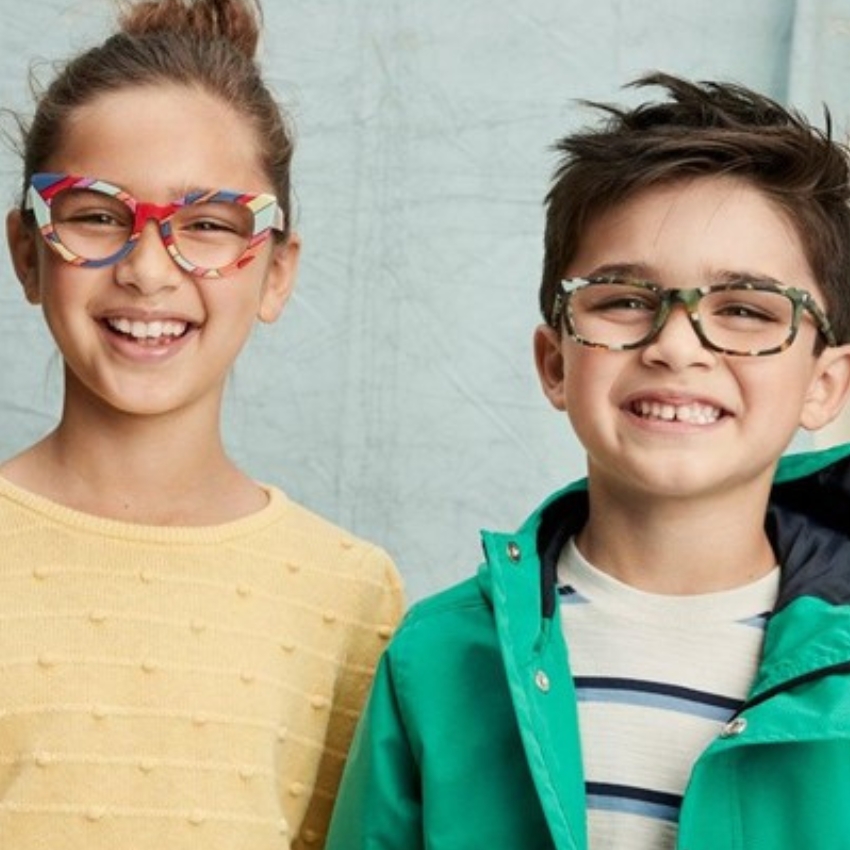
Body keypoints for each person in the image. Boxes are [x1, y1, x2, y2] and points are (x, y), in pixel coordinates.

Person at [325, 73, 850, 850]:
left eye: (745, 310)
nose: (676, 346)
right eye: (625, 300)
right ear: (554, 364)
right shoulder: (437, 658)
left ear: (825, 384)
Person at [0, 1, 404, 848]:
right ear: (28, 254)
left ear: (277, 273)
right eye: (97, 215)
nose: (148, 270)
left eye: (209, 226)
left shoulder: (353, 596)